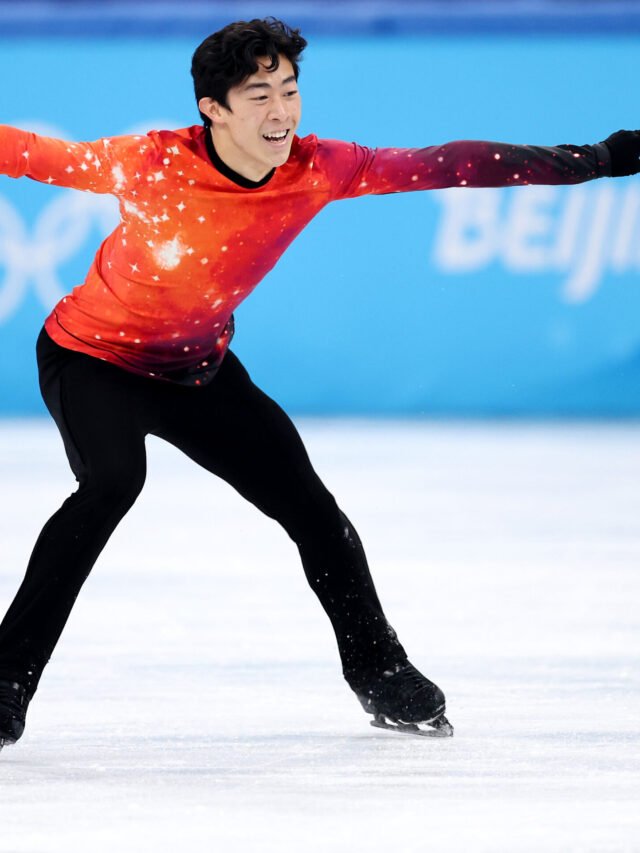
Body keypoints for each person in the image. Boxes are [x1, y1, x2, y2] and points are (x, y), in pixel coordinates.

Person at [0, 17, 638, 749]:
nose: (281, 113)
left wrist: (595, 158)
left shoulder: (320, 167)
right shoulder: (150, 163)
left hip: (197, 371)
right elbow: (26, 153)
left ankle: (382, 673)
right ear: (213, 108)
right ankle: (5, 680)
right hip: (92, 358)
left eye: (290, 91)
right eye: (258, 95)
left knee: (310, 506)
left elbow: (444, 164)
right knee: (112, 482)